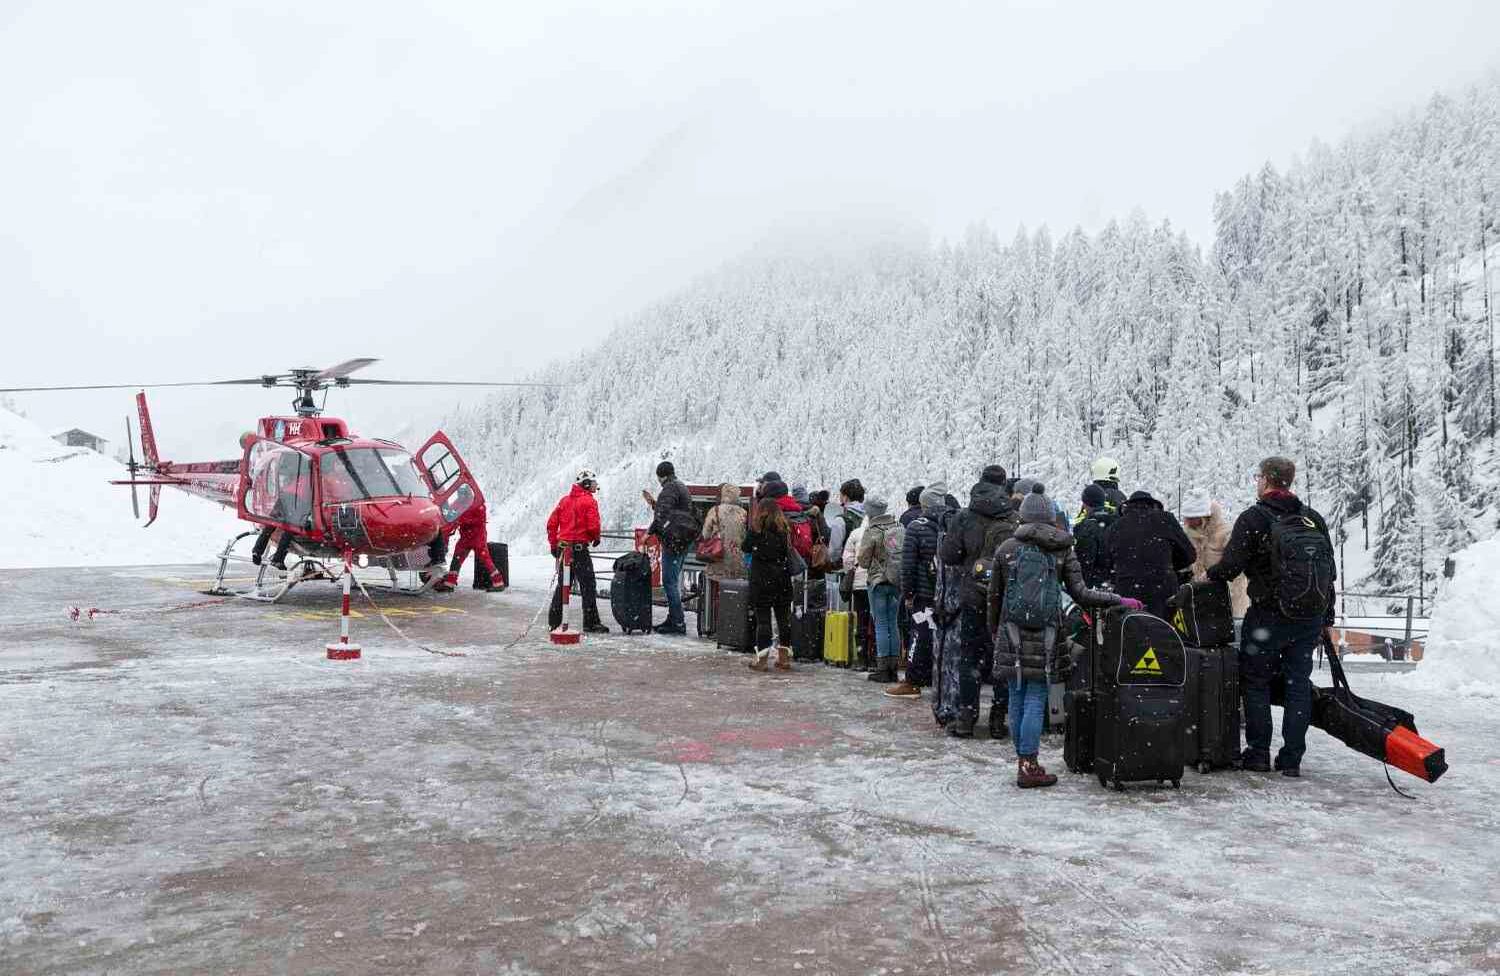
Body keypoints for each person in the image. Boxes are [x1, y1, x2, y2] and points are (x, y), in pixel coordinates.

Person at [988, 484, 1138, 788]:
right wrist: (1118, 600)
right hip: (1047, 632)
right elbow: (1081, 593)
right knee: (1036, 694)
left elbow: (994, 596)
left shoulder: (1006, 550)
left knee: (1017, 694)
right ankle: (1029, 765)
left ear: (1023, 515)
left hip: (1011, 630)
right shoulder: (1060, 549)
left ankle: (1024, 761)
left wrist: (995, 631)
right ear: (1050, 516)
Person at [1208, 457, 1337, 778]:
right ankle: (1292, 758)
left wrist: (1209, 574)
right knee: (1298, 685)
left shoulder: (1254, 518)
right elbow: (1328, 574)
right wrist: (1326, 618)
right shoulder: (1312, 519)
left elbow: (1230, 567)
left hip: (1268, 616)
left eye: (1258, 477)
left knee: (1256, 682)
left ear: (1266, 480)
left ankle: (1258, 753)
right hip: (1308, 617)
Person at [938, 465, 1017, 737]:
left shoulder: (964, 517)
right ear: (1004, 484)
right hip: (1003, 597)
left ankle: (966, 718)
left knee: (969, 656)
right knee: (1001, 658)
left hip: (972, 595)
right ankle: (998, 719)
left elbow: (948, 555)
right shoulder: (1013, 519)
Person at [1104, 489, 1196, 618]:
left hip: (1127, 591)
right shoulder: (1165, 520)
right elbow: (1189, 555)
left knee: (1132, 631)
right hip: (1163, 590)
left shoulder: (1115, 527)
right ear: (1153, 505)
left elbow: (1106, 563)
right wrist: (1169, 564)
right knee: (1165, 632)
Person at [896, 483, 945, 695]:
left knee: (920, 634)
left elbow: (907, 565)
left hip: (924, 594)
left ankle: (913, 680)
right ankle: (940, 678)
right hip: (947, 593)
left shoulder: (916, 527)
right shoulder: (953, 522)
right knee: (943, 636)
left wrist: (908, 593)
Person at [546, 470, 608, 634]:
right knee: (588, 585)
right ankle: (591, 622)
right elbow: (593, 525)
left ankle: (554, 621)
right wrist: (595, 537)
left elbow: (551, 524)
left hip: (563, 548)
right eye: (594, 482)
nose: (596, 485)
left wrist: (554, 545)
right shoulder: (589, 501)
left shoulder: (564, 501)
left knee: (563, 585)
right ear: (587, 484)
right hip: (579, 549)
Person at [857, 496, 906, 690]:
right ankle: (894, 667)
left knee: (881, 623)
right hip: (896, 582)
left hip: (878, 581)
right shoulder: (899, 527)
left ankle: (883, 668)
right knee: (893, 623)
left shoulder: (872, 531)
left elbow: (863, 560)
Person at [742, 497, 795, 672]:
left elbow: (745, 547)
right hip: (782, 579)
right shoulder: (784, 529)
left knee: (763, 621)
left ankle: (762, 660)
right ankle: (784, 659)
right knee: (783, 620)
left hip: (762, 580)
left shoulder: (757, 530)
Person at [644, 461, 696, 635]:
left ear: (661, 476)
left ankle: (678, 622)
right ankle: (674, 618)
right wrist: (654, 503)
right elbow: (673, 511)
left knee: (669, 583)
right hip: (683, 541)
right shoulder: (680, 486)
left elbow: (662, 515)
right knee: (672, 581)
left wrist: (647, 533)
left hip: (674, 542)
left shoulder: (669, 489)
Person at [1180, 493, 1250, 617]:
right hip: (1201, 596)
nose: (1187, 521)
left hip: (1229, 596)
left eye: (1191, 517)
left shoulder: (1226, 533)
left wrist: (1215, 576)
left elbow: (1235, 564)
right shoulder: (1187, 533)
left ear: (1203, 516)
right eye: (1186, 517)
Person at [437, 484, 504, 592]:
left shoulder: (476, 503)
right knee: (457, 559)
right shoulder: (460, 502)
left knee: (485, 559)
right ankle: (449, 584)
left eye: (463, 495)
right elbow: (451, 514)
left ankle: (498, 583)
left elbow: (477, 518)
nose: (461, 497)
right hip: (466, 537)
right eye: (461, 495)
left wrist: (460, 518)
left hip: (478, 536)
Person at [1072, 483, 1117, 588]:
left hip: (1095, 587)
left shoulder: (1087, 528)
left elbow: (1084, 563)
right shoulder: (1116, 523)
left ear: (1086, 504)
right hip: (1114, 584)